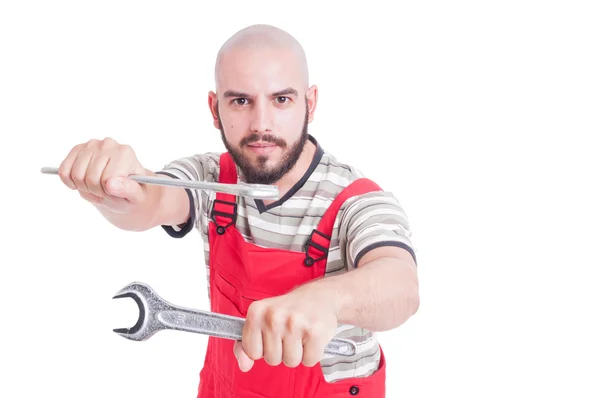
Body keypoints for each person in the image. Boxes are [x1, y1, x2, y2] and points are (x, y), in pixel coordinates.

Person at [56, 24, 420, 398]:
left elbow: (400, 285)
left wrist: (325, 300)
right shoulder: (211, 180)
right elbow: (153, 200)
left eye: (281, 99)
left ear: (310, 103)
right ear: (215, 109)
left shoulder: (355, 201)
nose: (261, 124)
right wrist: (119, 191)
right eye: (241, 101)